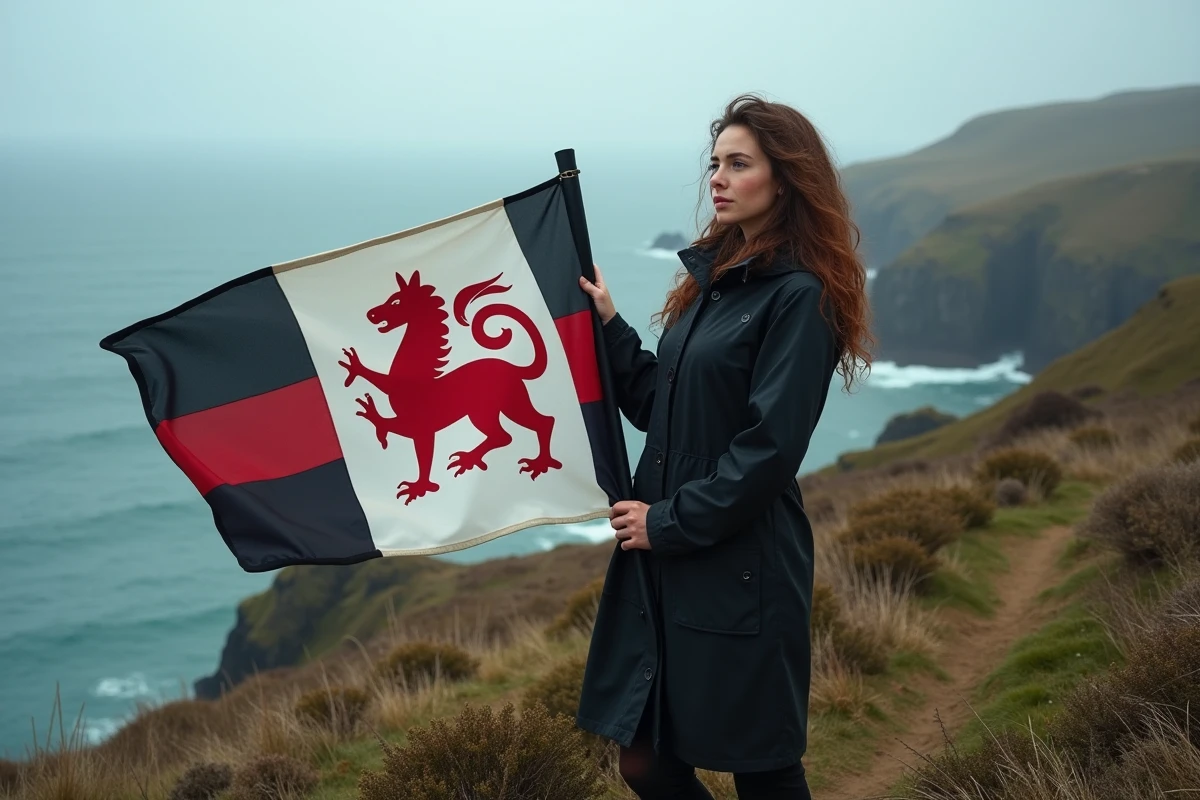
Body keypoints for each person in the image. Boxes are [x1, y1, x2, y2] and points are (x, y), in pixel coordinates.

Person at [574, 94, 874, 799]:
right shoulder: (713, 284)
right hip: (670, 559)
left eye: (739, 164)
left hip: (741, 563)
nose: (718, 178)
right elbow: (663, 406)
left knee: (761, 768)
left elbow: (770, 449)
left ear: (785, 178)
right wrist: (610, 324)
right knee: (645, 757)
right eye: (715, 163)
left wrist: (665, 522)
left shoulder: (799, 297)